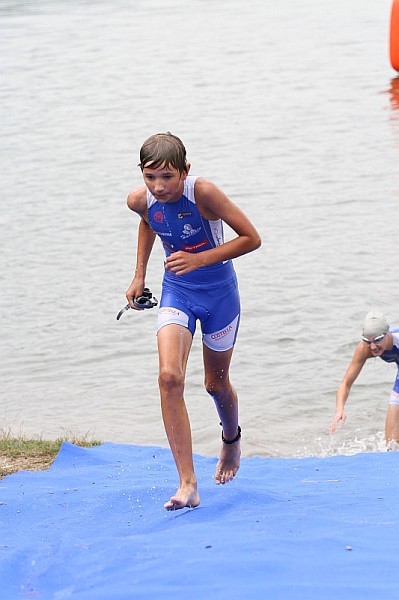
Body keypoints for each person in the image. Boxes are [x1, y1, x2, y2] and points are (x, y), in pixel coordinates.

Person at [124, 132, 261, 510]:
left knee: (215, 386)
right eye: (151, 177)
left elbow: (251, 238)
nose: (159, 186)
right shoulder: (140, 199)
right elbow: (149, 222)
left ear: (185, 171)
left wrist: (199, 259)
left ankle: (231, 441)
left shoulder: (204, 194)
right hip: (177, 292)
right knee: (169, 377)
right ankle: (187, 483)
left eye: (167, 177)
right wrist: (139, 276)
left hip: (219, 295)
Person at [330, 310, 399, 450]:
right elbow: (345, 383)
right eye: (368, 341)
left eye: (378, 340)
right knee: (392, 444)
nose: (373, 346)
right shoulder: (364, 349)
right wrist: (339, 409)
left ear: (387, 334)